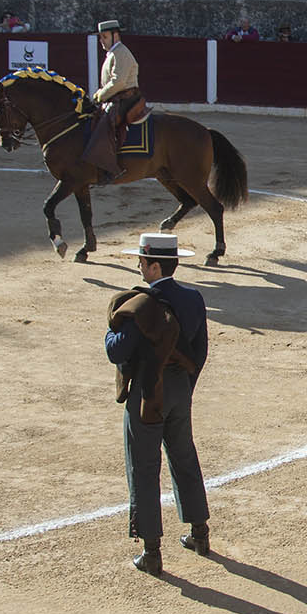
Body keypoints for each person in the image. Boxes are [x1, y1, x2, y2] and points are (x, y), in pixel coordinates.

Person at [105, 232, 210, 575]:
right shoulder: (193, 299)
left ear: (153, 266)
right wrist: (185, 387)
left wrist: (110, 331)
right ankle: (199, 533)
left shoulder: (142, 305)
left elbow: (117, 351)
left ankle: (151, 552)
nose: (139, 266)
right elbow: (200, 351)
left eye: (141, 261)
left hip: (149, 393)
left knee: (144, 466)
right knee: (184, 455)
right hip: (179, 388)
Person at [88, 19, 140, 179]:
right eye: (101, 37)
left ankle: (109, 167)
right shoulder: (114, 53)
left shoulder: (121, 52)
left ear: (115, 35)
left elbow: (118, 82)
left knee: (105, 124)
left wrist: (100, 95)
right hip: (116, 98)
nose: (101, 40)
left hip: (125, 100)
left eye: (104, 36)